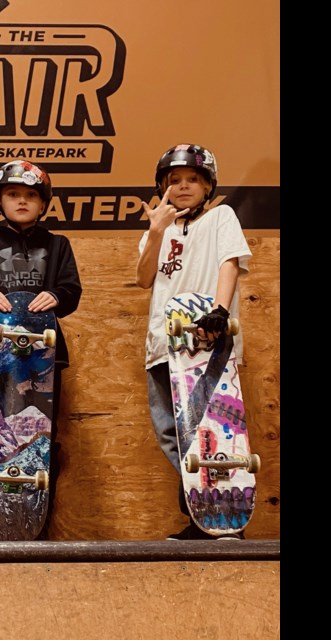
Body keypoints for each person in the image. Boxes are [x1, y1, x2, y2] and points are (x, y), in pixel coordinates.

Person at [0, 160, 82, 541]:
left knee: (41, 438)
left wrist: (56, 295)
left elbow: (72, 290)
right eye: (14, 194)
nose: (22, 201)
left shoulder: (58, 244)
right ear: (0, 200)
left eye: (31, 195)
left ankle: (37, 521)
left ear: (44, 203)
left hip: (43, 356)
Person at [136, 143, 252, 541]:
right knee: (173, 433)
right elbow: (144, 277)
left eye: (193, 180)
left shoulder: (222, 216)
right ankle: (204, 516)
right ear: (163, 188)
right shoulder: (160, 228)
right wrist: (154, 231)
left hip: (207, 340)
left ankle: (226, 516)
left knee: (215, 431)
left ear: (207, 186)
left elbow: (229, 262)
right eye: (175, 181)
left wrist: (220, 311)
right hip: (163, 344)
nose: (184, 187)